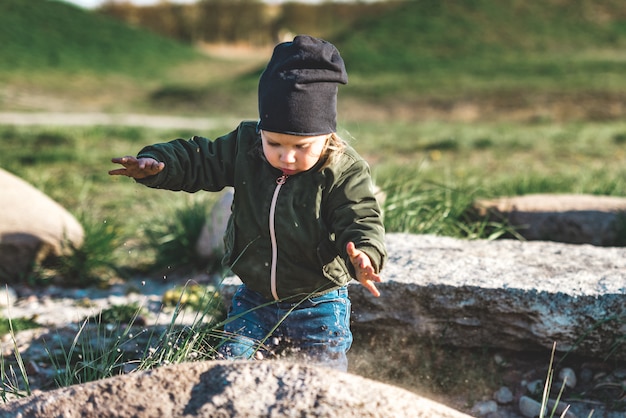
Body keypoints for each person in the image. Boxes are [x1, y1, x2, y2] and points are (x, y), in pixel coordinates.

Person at [109, 35, 387, 371]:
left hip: (318, 303)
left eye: (301, 147)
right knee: (231, 368)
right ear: (262, 131)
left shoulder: (343, 170)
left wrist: (365, 255)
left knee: (320, 378)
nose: (286, 156)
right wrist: (158, 163)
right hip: (254, 297)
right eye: (274, 142)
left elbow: (360, 218)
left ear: (327, 135)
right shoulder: (246, 147)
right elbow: (201, 159)